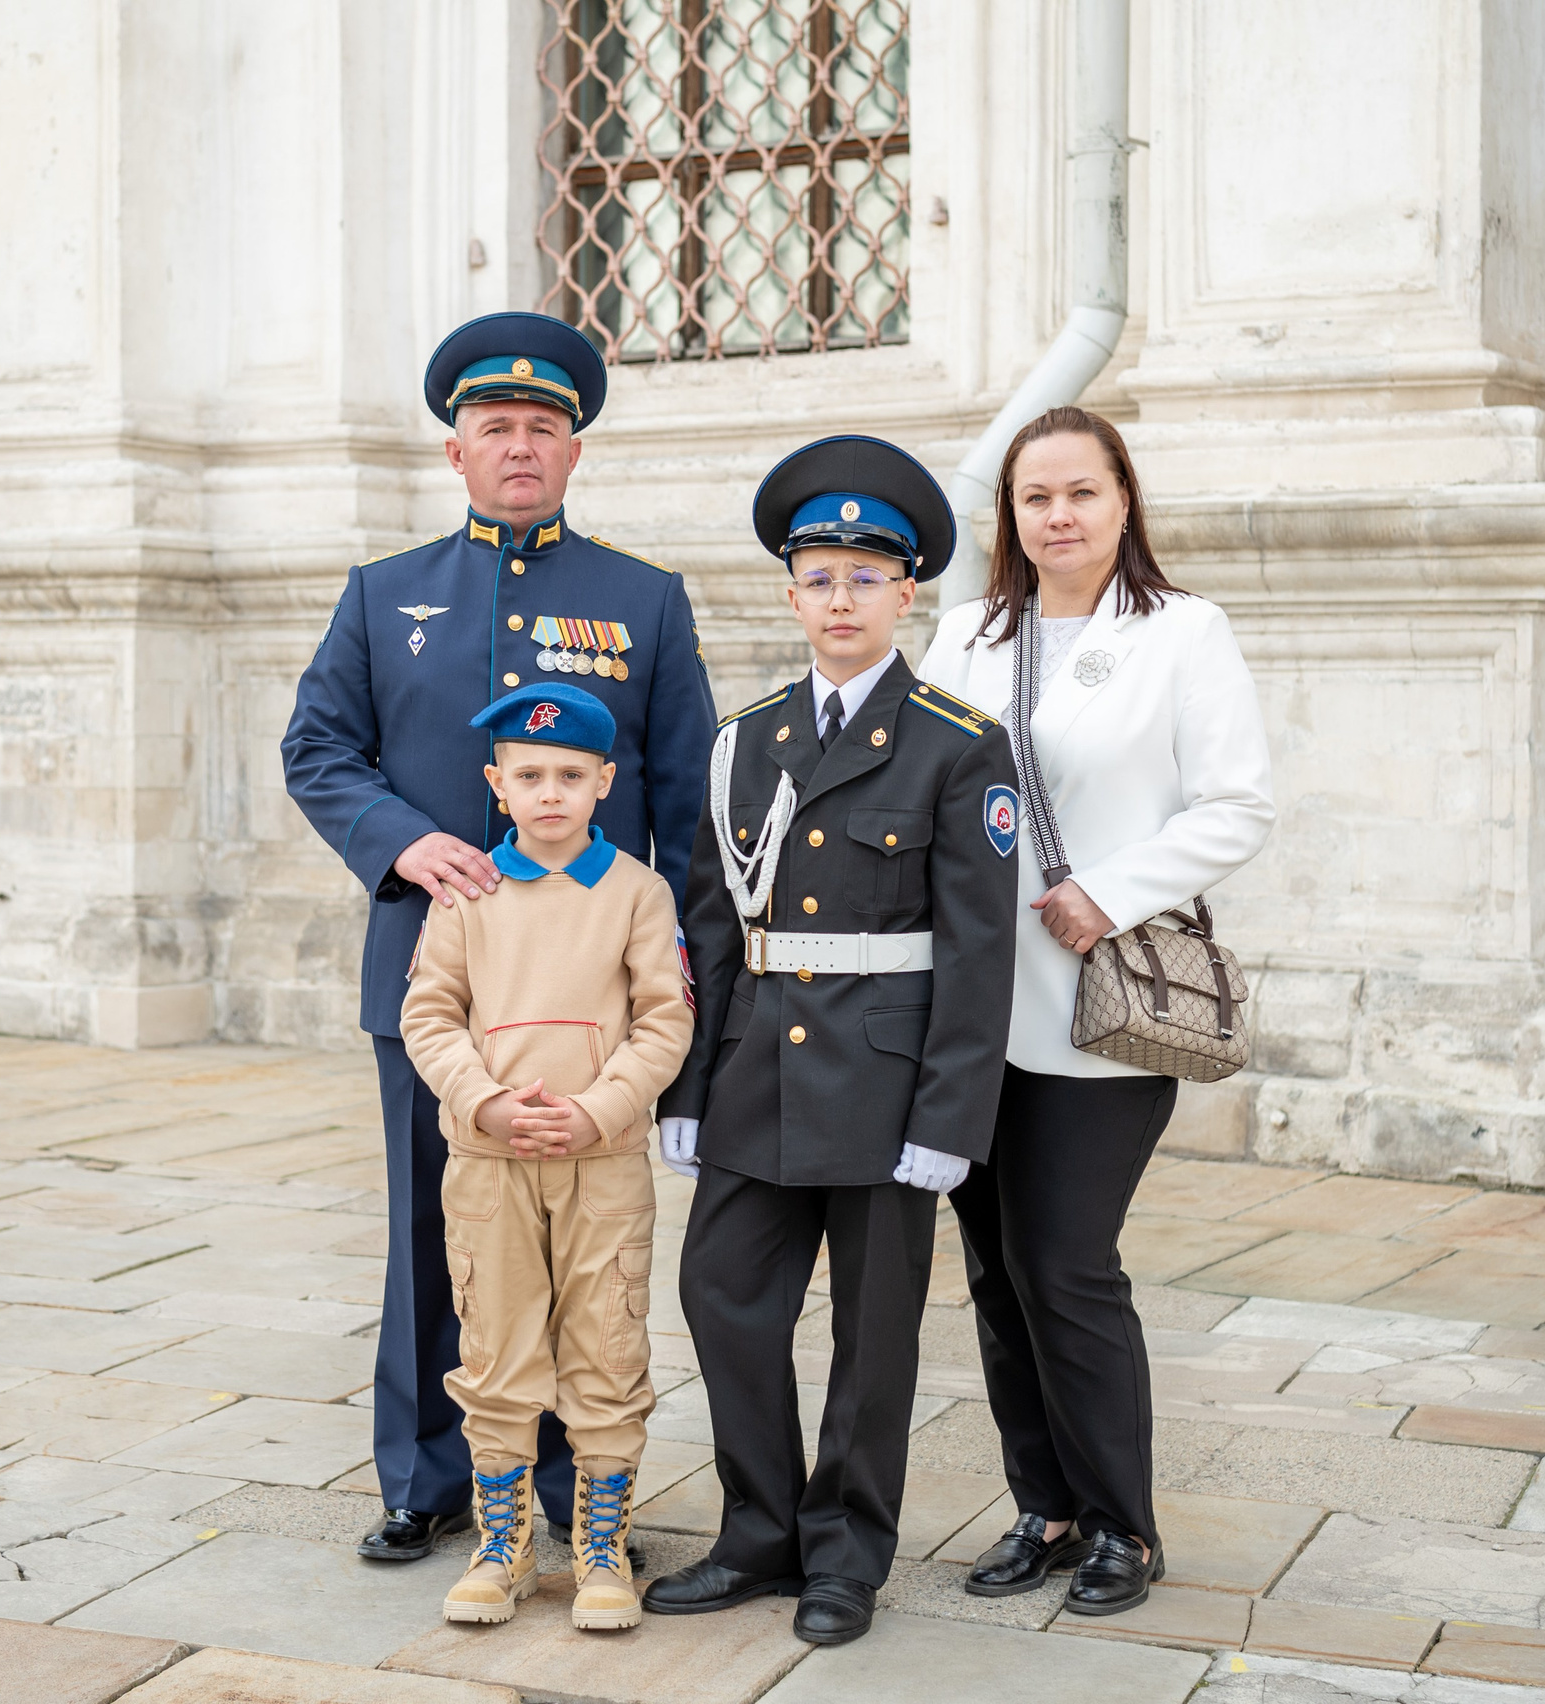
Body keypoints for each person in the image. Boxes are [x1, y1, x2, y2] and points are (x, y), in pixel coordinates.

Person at [283, 312, 715, 1562]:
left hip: (589, 1002)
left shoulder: (642, 600)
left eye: (541, 429)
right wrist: (400, 840)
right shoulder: (386, 597)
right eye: (494, 429)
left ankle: (587, 1493)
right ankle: (426, 1480)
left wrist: (671, 980)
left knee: (585, 1250)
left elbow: (682, 800)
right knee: (436, 1236)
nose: (518, 447)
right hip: (436, 980)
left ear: (572, 452)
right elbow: (318, 749)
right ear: (456, 453)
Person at [643, 435, 1019, 1647]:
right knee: (721, 1297)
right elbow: (711, 922)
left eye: (866, 575)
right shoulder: (745, 740)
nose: (841, 597)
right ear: (790, 591)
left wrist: (951, 1120)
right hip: (755, 1068)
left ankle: (845, 1552)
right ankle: (758, 1532)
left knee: (873, 1336)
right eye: (819, 575)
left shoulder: (957, 741)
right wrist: (687, 1087)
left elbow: (978, 952)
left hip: (886, 1084)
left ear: (906, 592)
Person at [916, 405, 1274, 1616]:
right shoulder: (967, 632)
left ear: (1124, 501)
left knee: (1065, 1265)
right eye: (1035, 498)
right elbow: (917, 786)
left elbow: (1236, 806)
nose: (1058, 516)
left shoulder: (1182, 633)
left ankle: (1124, 1524)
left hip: (1095, 1004)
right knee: (991, 1273)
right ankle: (1045, 1506)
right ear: (1008, 516)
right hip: (966, 1010)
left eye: (1082, 492)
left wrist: (1105, 896)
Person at [398, 681, 693, 1631]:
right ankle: (504, 1546)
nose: (551, 793)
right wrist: (484, 1103)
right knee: (495, 1345)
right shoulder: (469, 892)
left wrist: (601, 1109)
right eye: (530, 776)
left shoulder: (638, 892)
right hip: (488, 1162)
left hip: (599, 1161)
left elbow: (666, 1017)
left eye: (572, 774)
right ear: (498, 783)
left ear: (606, 780)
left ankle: (601, 1546)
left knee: (606, 1339)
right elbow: (429, 1014)